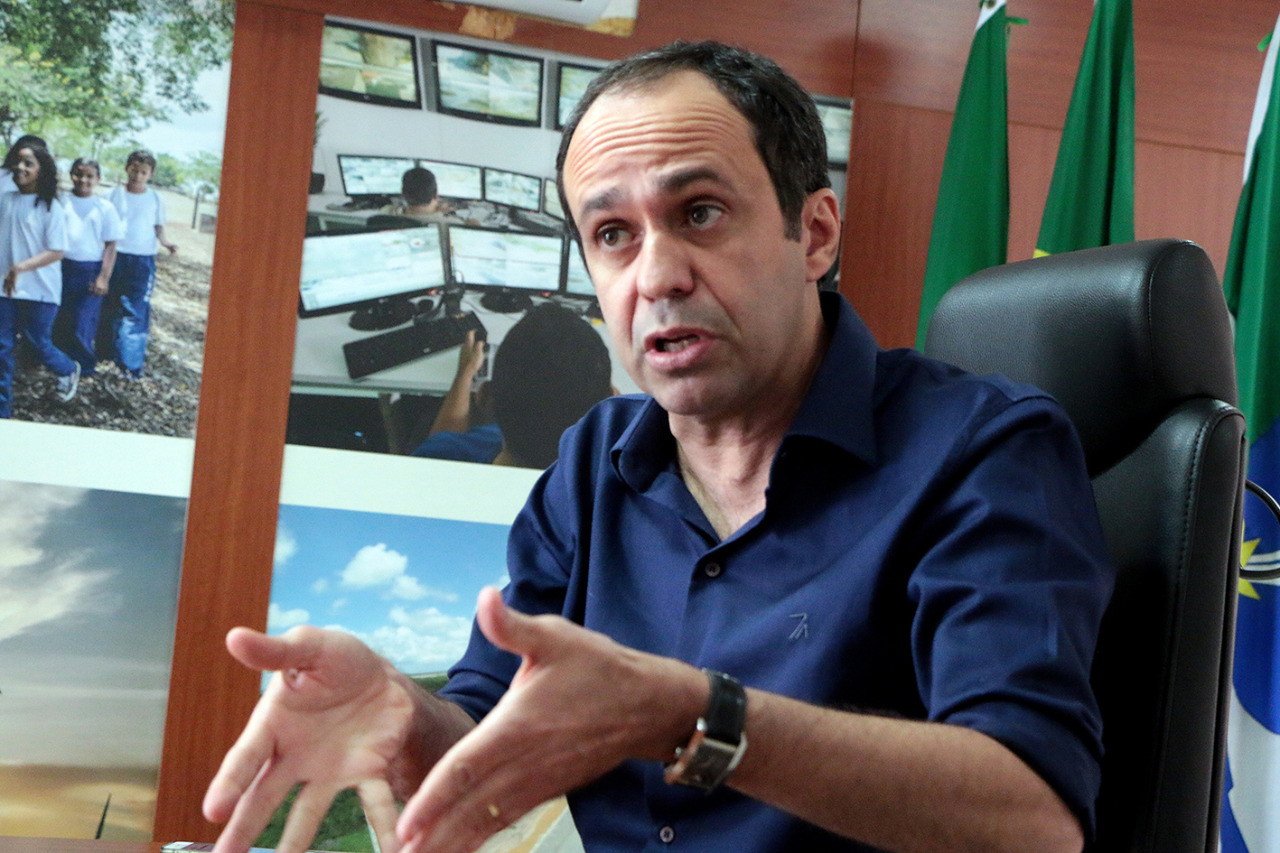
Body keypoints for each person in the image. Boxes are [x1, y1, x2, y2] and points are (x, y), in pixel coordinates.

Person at [205, 42, 1113, 853]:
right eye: (613, 235)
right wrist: (402, 716)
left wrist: (698, 718)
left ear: (815, 235)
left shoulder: (985, 447)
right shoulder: (592, 460)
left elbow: (1032, 817)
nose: (656, 276)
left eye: (701, 212)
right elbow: (485, 730)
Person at [411, 301, 614, 468]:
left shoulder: (437, 464)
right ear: (609, 403)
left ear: (485, 399)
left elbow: (440, 451)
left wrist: (465, 374)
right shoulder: (621, 480)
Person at [0, 141, 80, 417]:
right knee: (2, 348)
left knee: (37, 343)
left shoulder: (51, 207)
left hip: (40, 291)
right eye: (17, 161)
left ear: (41, 171)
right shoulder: (6, 200)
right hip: (5, 289)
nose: (19, 167)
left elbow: (57, 250)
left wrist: (20, 267)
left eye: (28, 164)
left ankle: (67, 369)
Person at [100, 149, 177, 380]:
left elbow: (158, 226)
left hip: (142, 260)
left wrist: (166, 243)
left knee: (136, 311)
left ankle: (130, 366)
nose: (137, 175)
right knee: (108, 306)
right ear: (127, 168)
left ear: (150, 174)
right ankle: (104, 353)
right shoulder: (112, 194)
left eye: (143, 172)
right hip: (114, 255)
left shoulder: (155, 198)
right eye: (134, 170)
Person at [54, 158, 123, 376]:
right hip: (59, 266)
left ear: (98, 179)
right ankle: (59, 364)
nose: (83, 180)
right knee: (59, 316)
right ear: (71, 175)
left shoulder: (105, 207)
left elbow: (111, 245)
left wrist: (104, 277)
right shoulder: (60, 201)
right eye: (78, 174)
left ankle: (84, 366)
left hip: (89, 269)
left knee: (82, 320)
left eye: (89, 176)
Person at [379, 167, 453, 223]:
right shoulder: (450, 224)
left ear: (403, 193)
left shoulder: (385, 214)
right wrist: (437, 213)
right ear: (436, 195)